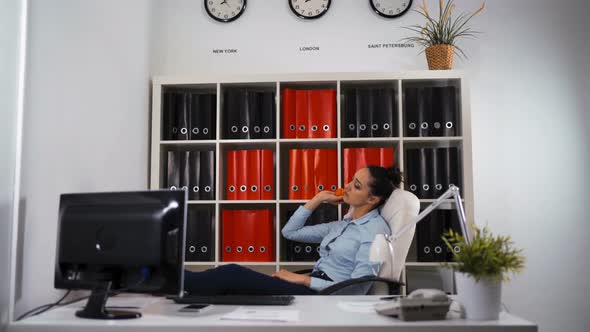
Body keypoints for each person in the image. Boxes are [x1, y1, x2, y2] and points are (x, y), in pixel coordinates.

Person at [183, 166, 402, 296]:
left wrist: (304, 281)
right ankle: (183, 285)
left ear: (372, 199)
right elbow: (290, 232)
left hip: (323, 295)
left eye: (356, 185)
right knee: (230, 288)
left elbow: (356, 290)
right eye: (350, 180)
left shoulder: (374, 232)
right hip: (312, 286)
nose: (346, 186)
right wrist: (317, 199)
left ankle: (178, 281)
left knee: (232, 274)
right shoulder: (343, 225)